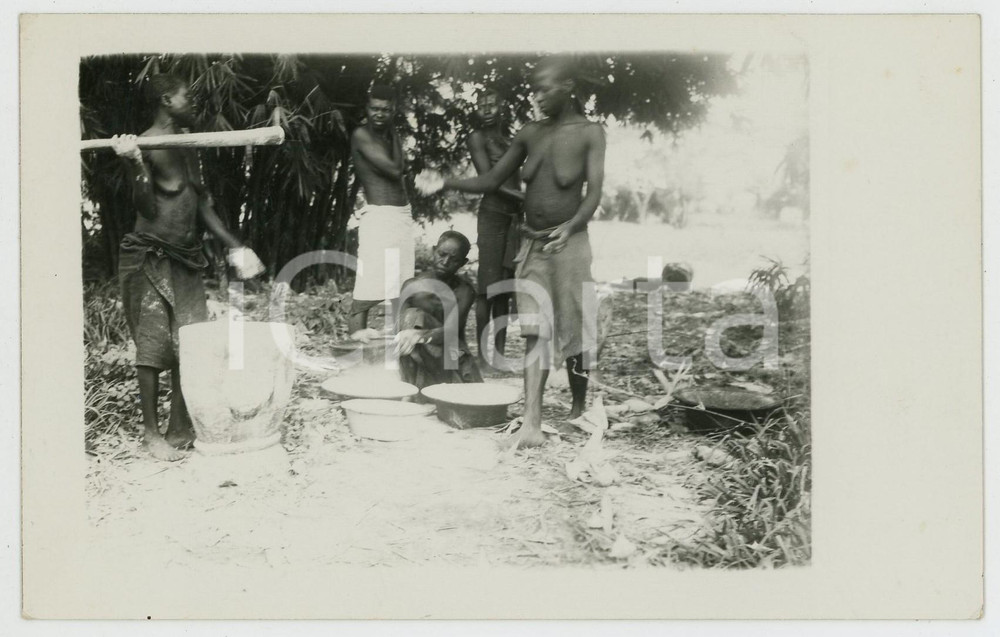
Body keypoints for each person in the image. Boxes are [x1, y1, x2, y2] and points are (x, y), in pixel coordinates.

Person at [418, 55, 606, 448]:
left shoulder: (590, 133)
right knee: (536, 331)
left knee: (575, 332)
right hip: (533, 244)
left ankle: (577, 406)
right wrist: (446, 181)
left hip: (570, 244)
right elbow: (491, 179)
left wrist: (570, 227)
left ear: (567, 86)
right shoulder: (529, 133)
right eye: (533, 89)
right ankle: (532, 425)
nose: (537, 97)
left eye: (544, 89)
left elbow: (594, 195)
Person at [111, 74, 263, 461]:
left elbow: (201, 205)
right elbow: (145, 207)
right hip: (149, 255)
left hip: (185, 257)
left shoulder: (186, 145)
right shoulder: (150, 143)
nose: (194, 102)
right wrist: (134, 164)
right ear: (167, 99)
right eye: (187, 96)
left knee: (189, 343)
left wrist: (235, 246)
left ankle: (180, 426)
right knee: (152, 344)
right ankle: (151, 434)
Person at [348, 85, 415, 343]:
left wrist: (393, 133)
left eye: (386, 110)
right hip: (378, 217)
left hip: (401, 215)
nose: (379, 114)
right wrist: (395, 133)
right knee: (368, 285)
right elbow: (396, 169)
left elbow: (401, 168)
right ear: (367, 108)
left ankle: (398, 349)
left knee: (402, 283)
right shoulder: (361, 135)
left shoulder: (389, 135)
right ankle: (355, 346)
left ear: (393, 110)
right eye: (374, 108)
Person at [466, 87, 524, 370]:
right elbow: (489, 181)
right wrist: (524, 199)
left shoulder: (512, 140)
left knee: (504, 287)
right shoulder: (477, 138)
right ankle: (482, 357)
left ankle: (498, 357)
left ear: (502, 107)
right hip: (492, 217)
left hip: (513, 219)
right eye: (482, 105)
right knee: (486, 289)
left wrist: (523, 206)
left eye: (492, 104)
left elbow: (519, 179)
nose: (487, 109)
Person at [394, 231, 483, 389]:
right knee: (411, 318)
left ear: (463, 263)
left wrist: (420, 334)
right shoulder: (412, 286)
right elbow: (399, 331)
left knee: (413, 322)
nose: (445, 262)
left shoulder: (464, 291)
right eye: (442, 254)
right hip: (414, 360)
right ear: (433, 251)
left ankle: (419, 390)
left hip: (449, 361)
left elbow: (451, 331)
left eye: (454, 259)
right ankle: (409, 389)